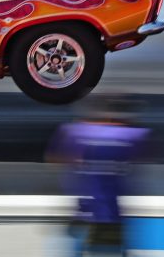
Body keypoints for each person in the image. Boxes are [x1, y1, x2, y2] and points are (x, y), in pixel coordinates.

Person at [46, 96, 148, 256]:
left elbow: (54, 157)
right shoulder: (134, 136)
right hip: (111, 216)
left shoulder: (74, 132)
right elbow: (145, 156)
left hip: (82, 213)